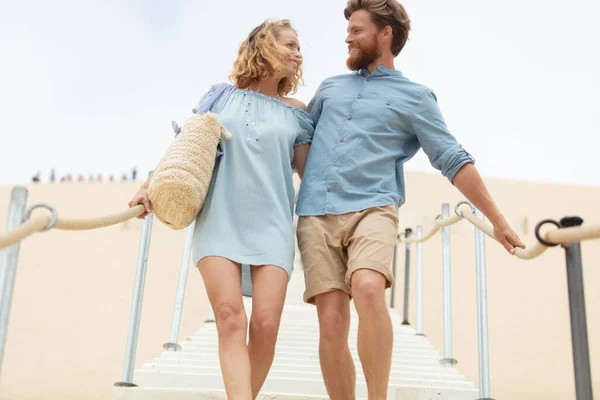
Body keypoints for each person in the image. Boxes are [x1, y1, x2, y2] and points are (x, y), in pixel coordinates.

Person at [295, 1, 526, 399]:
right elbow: (300, 141)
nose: (347, 38)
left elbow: (452, 158)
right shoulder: (329, 88)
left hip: (373, 207)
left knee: (367, 288)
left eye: (357, 30)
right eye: (347, 30)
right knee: (331, 322)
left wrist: (499, 221)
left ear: (385, 35)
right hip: (316, 212)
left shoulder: (416, 97)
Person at [128, 19, 313, 399]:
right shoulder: (219, 96)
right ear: (264, 45)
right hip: (220, 218)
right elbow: (187, 148)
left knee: (265, 326)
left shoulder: (298, 112)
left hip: (274, 224)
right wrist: (150, 185)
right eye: (291, 44)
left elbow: (310, 177)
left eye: (299, 47)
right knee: (230, 319)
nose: (299, 53)